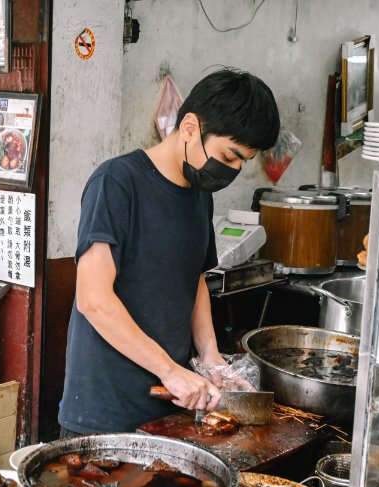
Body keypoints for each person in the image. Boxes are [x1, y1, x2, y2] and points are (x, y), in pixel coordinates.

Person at [58, 68, 280, 436]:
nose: (233, 170)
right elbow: (93, 299)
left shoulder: (199, 197)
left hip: (168, 410)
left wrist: (210, 360)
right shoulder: (116, 183)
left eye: (242, 163)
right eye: (228, 156)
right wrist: (170, 371)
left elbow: (194, 281)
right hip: (105, 413)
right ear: (190, 127)